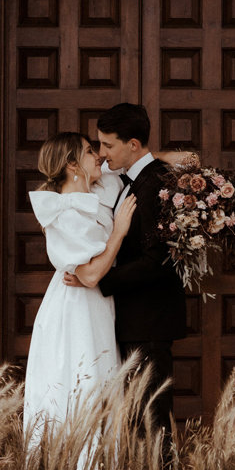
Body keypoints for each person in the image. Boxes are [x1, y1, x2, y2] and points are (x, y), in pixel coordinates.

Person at [65, 103, 188, 440]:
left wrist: (99, 280)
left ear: (133, 145)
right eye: (99, 146)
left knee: (151, 418)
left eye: (108, 145)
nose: (102, 154)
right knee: (138, 418)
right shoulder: (132, 178)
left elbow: (159, 261)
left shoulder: (156, 185)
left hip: (149, 320)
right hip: (132, 319)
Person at [23, 132, 137, 441]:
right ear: (73, 164)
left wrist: (165, 157)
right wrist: (119, 232)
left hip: (97, 306)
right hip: (75, 310)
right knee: (81, 385)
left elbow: (148, 161)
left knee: (102, 384)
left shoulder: (101, 188)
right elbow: (89, 275)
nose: (99, 155)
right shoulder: (65, 213)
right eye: (90, 151)